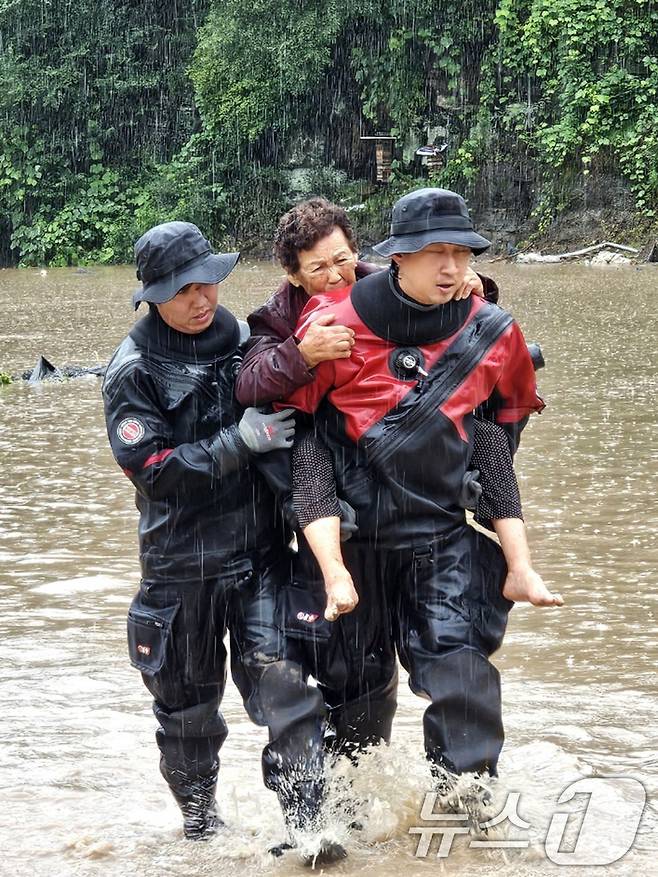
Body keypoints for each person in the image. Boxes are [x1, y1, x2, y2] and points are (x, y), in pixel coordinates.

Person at [279, 188, 562, 795]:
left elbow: (507, 415)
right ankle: (354, 818)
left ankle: (462, 823)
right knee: (354, 700)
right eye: (433, 252)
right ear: (397, 257)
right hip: (356, 540)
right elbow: (296, 422)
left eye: (460, 252)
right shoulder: (333, 324)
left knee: (464, 682)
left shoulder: (493, 330)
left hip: (440, 539)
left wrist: (456, 470)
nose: (451, 267)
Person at [101, 221, 341, 864]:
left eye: (209, 282)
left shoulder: (243, 340)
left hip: (259, 556)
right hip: (179, 567)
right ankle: (201, 830)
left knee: (287, 687)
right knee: (187, 714)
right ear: (153, 295)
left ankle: (308, 829)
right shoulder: (132, 371)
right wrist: (240, 441)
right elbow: (152, 471)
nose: (203, 298)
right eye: (185, 291)